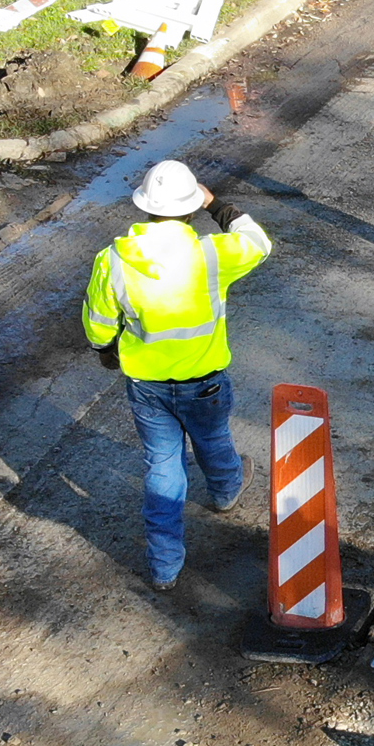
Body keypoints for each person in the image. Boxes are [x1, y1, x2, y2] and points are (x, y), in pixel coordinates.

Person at [81, 160, 272, 591]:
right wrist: (216, 204)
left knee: (163, 465)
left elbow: (98, 323)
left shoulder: (114, 259)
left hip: (147, 384)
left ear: (145, 208)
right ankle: (225, 493)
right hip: (203, 380)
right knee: (213, 438)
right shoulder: (211, 253)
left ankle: (165, 565)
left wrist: (107, 352)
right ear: (190, 208)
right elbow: (258, 242)